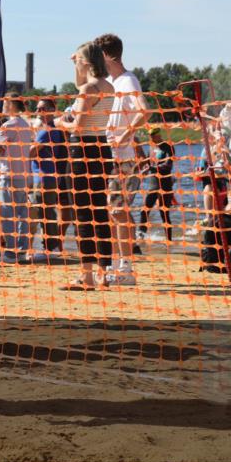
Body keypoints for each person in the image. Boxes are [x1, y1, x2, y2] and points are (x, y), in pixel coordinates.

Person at [55, 41, 116, 289]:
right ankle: (103, 274)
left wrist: (60, 123)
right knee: (99, 211)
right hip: (102, 148)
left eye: (78, 60)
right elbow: (82, 84)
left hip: (82, 151)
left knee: (82, 213)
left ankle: (87, 276)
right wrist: (76, 65)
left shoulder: (88, 89)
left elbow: (78, 126)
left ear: (87, 62)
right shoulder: (108, 86)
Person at [95, 33, 148, 283]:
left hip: (123, 158)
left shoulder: (128, 81)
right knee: (110, 211)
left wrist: (125, 136)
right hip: (107, 156)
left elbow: (144, 111)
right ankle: (116, 264)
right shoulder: (109, 82)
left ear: (107, 56)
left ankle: (126, 268)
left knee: (118, 210)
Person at [0, 95, 35, 262]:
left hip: (8, 173)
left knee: (8, 213)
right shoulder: (25, 124)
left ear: (11, 104)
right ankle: (22, 251)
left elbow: (0, 150)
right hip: (23, 174)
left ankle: (11, 252)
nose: (3, 105)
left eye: (5, 103)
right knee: (22, 214)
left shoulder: (7, 125)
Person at [28, 98, 73, 256]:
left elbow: (30, 153)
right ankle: (51, 247)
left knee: (45, 213)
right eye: (37, 108)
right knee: (46, 212)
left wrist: (28, 142)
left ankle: (51, 247)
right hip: (48, 176)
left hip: (44, 177)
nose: (37, 112)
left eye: (42, 109)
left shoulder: (46, 131)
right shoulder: (50, 130)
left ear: (51, 110)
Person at [139, 126, 175, 242]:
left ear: (158, 135)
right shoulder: (151, 147)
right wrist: (142, 168)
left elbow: (168, 165)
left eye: (153, 137)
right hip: (153, 184)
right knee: (144, 211)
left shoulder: (168, 147)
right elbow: (148, 162)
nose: (151, 139)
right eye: (150, 137)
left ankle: (169, 241)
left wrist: (151, 168)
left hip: (165, 184)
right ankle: (141, 237)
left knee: (164, 213)